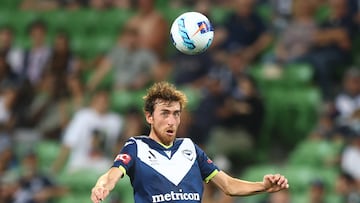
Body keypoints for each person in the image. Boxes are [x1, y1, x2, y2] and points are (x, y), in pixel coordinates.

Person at [90, 81, 289, 203]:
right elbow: (112, 174)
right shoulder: (136, 147)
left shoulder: (190, 149)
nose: (171, 121)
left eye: (176, 114)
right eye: (165, 113)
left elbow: (229, 186)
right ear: (149, 117)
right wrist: (103, 186)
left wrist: (263, 186)